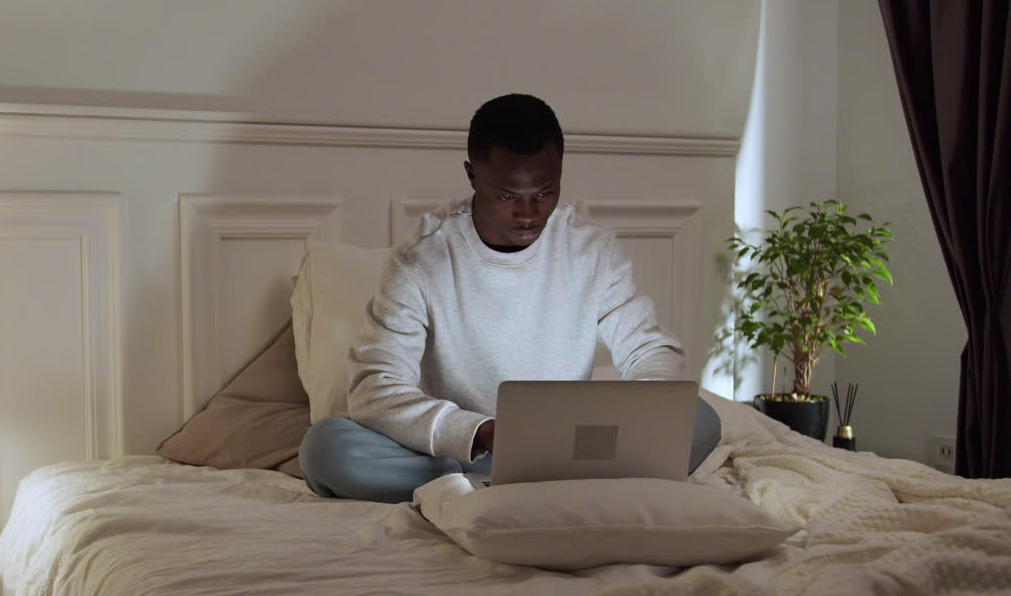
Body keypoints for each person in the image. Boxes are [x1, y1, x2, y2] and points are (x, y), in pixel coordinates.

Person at [299, 93, 720, 503]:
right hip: (462, 453)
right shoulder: (421, 259)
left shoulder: (592, 251)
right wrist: (482, 432)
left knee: (700, 419)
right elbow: (374, 388)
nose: (529, 214)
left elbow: (649, 349)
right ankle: (523, 485)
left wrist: (644, 412)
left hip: (567, 448)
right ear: (471, 175)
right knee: (326, 449)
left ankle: (535, 482)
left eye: (544, 192)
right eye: (507, 196)